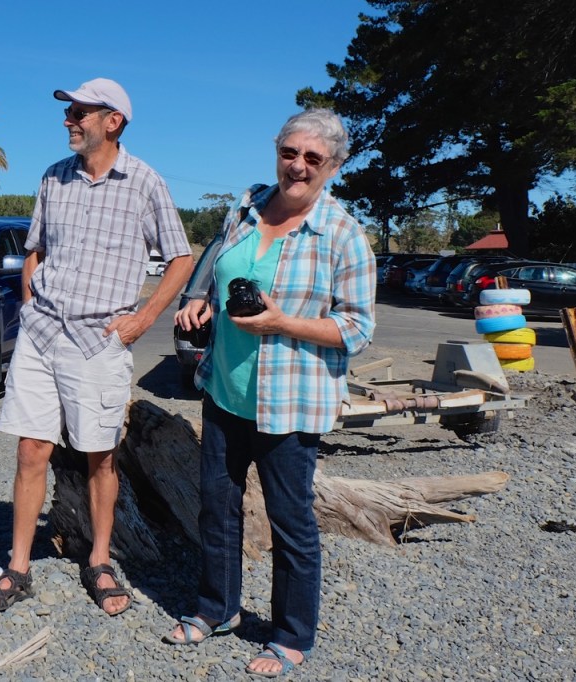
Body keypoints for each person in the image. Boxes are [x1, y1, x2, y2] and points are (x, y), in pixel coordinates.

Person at [0, 78, 194, 616]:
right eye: (68, 112)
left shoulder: (144, 183)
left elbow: (181, 257)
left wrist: (142, 320)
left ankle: (99, 560)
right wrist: (29, 303)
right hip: (43, 335)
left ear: (112, 121)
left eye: (79, 112)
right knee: (31, 451)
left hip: (98, 343)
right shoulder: (54, 177)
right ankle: (18, 567)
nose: (68, 120)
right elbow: (36, 251)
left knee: (100, 457)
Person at [167, 108, 375, 678]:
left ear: (333, 165)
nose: (298, 166)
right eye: (291, 153)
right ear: (277, 151)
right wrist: (201, 299)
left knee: (291, 522)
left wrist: (285, 323)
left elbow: (357, 329)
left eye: (313, 158)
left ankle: (290, 634)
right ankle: (218, 609)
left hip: (291, 401)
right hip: (225, 389)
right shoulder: (247, 206)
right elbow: (222, 264)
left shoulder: (343, 235)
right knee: (217, 509)